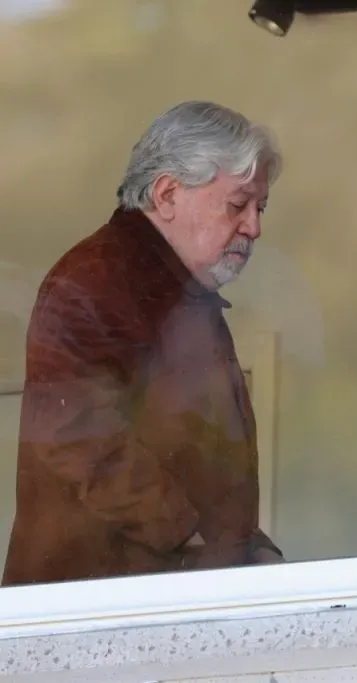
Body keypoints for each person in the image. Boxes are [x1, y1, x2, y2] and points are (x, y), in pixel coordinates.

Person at [3, 101, 285, 586]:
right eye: (238, 204)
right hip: (100, 612)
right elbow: (86, 447)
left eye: (260, 207)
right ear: (168, 194)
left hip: (154, 595)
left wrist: (251, 551)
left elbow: (208, 466)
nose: (254, 226)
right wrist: (199, 545)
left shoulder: (178, 291)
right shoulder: (92, 283)